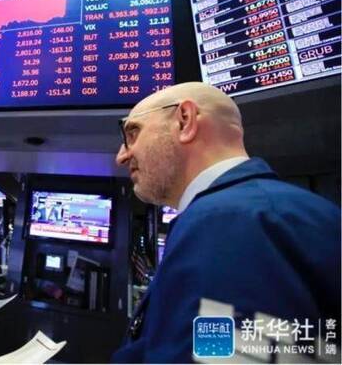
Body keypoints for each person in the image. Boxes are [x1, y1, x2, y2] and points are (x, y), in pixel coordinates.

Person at [112, 82, 341, 362]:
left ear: (185, 121)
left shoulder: (229, 223)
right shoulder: (271, 210)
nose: (122, 156)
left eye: (133, 133)